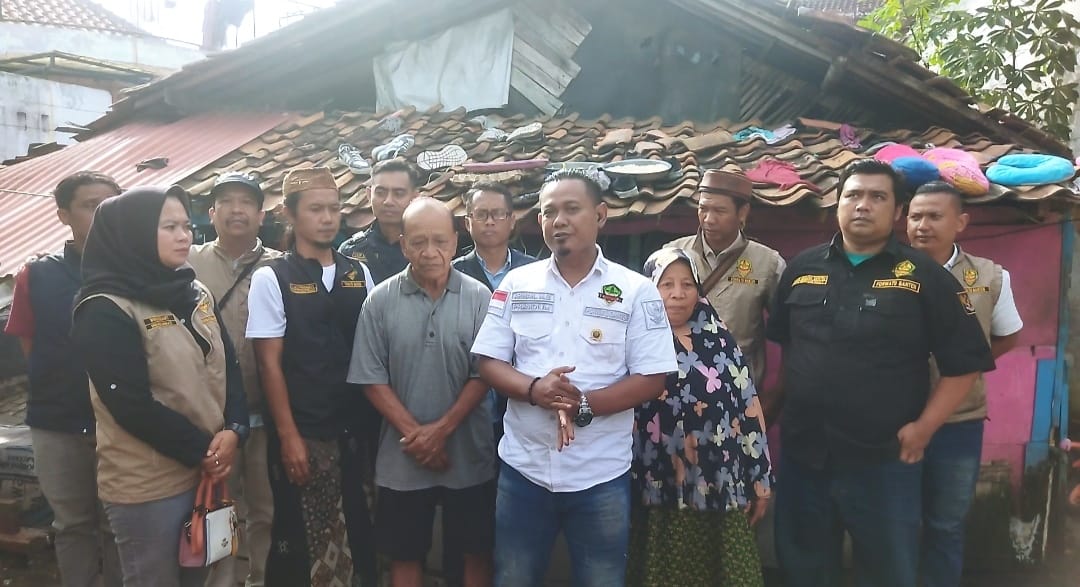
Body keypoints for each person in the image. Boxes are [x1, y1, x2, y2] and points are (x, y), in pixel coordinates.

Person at [766, 159, 995, 587]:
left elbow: (964, 364)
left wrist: (925, 428)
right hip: (805, 454)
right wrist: (769, 417)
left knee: (888, 573)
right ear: (837, 204)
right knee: (803, 570)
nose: (863, 205)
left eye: (877, 197)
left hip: (883, 462)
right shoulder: (800, 268)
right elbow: (789, 352)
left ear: (897, 212)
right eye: (853, 195)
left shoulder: (925, 276)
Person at [471, 170, 678, 587]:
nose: (558, 220)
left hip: (599, 475)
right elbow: (486, 360)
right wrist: (534, 389)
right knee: (513, 578)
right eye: (549, 212)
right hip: (523, 471)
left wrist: (582, 404)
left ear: (600, 214)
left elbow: (654, 376)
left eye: (571, 209)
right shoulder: (517, 283)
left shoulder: (635, 290)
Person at [70, 186, 249, 587]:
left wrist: (235, 429)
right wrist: (203, 448)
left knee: (204, 576)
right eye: (169, 226)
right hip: (149, 482)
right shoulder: (104, 307)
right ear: (132, 234)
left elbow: (228, 365)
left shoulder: (194, 291)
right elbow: (130, 403)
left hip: (208, 467)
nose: (184, 235)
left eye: (186, 225)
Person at [349, 198, 496, 587]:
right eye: (417, 242)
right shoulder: (379, 301)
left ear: (455, 242)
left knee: (474, 553)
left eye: (438, 241)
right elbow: (370, 376)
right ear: (402, 245)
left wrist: (440, 432)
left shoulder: (480, 298)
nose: (429, 252)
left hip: (468, 453)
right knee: (404, 555)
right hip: (402, 458)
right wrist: (417, 435)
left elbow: (485, 373)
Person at [247, 167, 372, 587]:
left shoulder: (359, 273)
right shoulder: (273, 278)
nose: (327, 218)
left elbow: (371, 353)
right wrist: (288, 438)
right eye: (316, 209)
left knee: (358, 530)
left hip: (354, 430)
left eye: (334, 209)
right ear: (289, 213)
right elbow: (269, 364)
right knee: (301, 540)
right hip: (304, 430)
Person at [628, 248, 773, 587]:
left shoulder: (721, 344)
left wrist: (760, 479)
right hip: (656, 488)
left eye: (687, 284)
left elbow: (749, 410)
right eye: (666, 284)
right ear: (649, 288)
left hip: (720, 487)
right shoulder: (632, 342)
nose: (678, 294)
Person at [5, 171, 122, 587]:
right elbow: (29, 343)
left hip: (125, 422)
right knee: (72, 523)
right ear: (63, 215)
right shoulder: (37, 276)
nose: (105, 213)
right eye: (92, 205)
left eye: (112, 203)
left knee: (117, 523)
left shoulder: (138, 270)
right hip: (58, 422)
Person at [906, 180, 1023, 586]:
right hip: (892, 420)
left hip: (960, 421)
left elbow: (1008, 335)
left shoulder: (989, 276)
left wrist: (965, 368)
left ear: (961, 222)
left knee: (945, 525)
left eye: (935, 216)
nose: (922, 225)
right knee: (894, 524)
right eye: (915, 216)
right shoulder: (886, 271)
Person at [189, 172, 282, 587]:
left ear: (262, 215)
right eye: (227, 201)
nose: (237, 209)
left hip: (266, 409)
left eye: (247, 202)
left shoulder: (281, 266)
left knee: (265, 509)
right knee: (216, 507)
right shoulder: (188, 263)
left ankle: (261, 578)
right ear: (212, 213)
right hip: (209, 416)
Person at [664, 169, 784, 400]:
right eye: (703, 209)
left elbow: (787, 332)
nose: (708, 219)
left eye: (719, 211)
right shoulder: (670, 254)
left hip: (739, 390)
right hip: (678, 390)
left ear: (743, 212)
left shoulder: (768, 264)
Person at [453, 182, 537, 444]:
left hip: (524, 392)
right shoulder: (453, 274)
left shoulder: (535, 273)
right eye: (481, 214)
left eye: (498, 214)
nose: (490, 221)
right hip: (466, 394)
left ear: (512, 221)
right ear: (468, 223)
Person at [339, 158, 420, 283]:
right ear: (369, 194)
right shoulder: (351, 251)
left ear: (414, 197)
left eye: (398, 194)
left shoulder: (426, 250)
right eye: (380, 192)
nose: (388, 201)